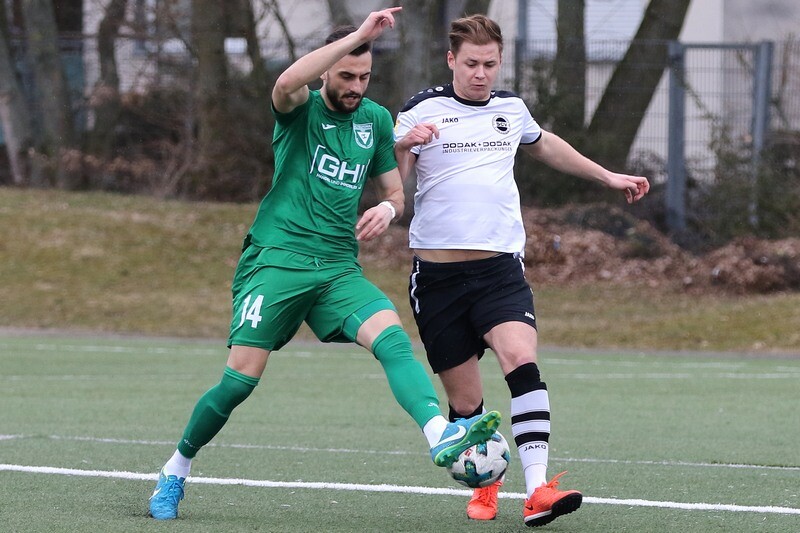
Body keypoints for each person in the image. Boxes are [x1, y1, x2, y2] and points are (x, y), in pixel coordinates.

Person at [148, 7, 501, 521]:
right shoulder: (300, 109)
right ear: (326, 71)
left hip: (337, 267)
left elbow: (395, 193)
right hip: (277, 259)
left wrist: (387, 209)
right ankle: (175, 469)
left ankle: (438, 434)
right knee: (239, 382)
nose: (356, 86)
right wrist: (359, 33)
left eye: (364, 77)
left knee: (392, 337)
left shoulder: (375, 121)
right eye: (347, 76)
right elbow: (286, 81)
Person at [393, 14, 650, 528]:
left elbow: (547, 144)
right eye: (471, 63)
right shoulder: (421, 110)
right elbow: (396, 189)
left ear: (500, 62)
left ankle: (537, 489)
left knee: (520, 358)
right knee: (466, 403)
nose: (480, 73)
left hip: (499, 271)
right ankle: (486, 483)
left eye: (490, 64)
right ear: (451, 60)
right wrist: (403, 146)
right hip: (438, 279)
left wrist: (607, 176)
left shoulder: (511, 109)